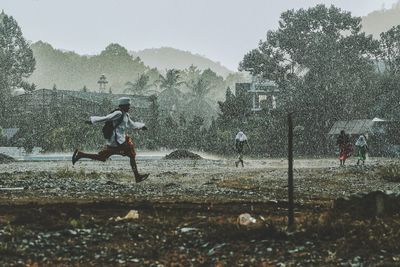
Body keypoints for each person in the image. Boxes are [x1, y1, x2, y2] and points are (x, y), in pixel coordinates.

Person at [72, 97, 149, 183]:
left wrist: (141, 126)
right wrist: (92, 121)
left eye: (129, 106)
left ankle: (81, 154)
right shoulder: (118, 113)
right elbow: (106, 118)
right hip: (116, 141)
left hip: (120, 140)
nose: (129, 108)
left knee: (102, 157)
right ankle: (137, 176)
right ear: (122, 106)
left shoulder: (126, 115)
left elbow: (132, 125)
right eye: (127, 106)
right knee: (131, 154)